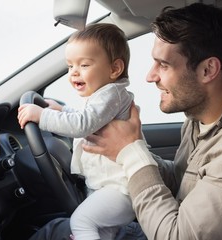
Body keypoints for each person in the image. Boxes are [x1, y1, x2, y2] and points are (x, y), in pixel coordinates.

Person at [28, 3, 222, 240]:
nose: (150, 76)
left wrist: (132, 152)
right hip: (164, 223)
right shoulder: (204, 115)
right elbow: (184, 181)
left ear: (208, 70)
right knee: (58, 228)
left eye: (164, 65)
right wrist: (122, 150)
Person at [18, 23, 137, 240]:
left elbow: (83, 124)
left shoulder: (112, 94)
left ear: (114, 69)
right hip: (109, 186)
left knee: (80, 221)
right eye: (70, 66)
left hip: (120, 189)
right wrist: (63, 110)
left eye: (83, 65)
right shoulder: (105, 96)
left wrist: (42, 116)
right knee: (101, 231)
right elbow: (92, 119)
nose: (74, 73)